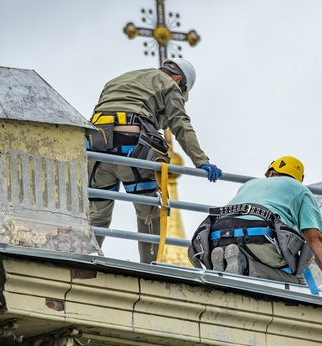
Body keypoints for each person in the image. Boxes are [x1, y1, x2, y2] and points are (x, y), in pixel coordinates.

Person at [87, 58, 222, 264]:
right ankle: (149, 268)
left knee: (97, 212)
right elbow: (180, 123)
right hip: (132, 149)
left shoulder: (120, 79)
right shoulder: (169, 85)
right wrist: (200, 160)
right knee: (149, 213)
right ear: (178, 79)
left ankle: (84, 259)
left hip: (96, 148)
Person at [188, 156, 322, 301]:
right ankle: (245, 267)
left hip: (215, 235)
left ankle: (224, 264)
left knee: (242, 250)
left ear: (269, 172)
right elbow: (314, 239)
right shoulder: (300, 190)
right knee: (297, 282)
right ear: (298, 179)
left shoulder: (249, 185)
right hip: (257, 234)